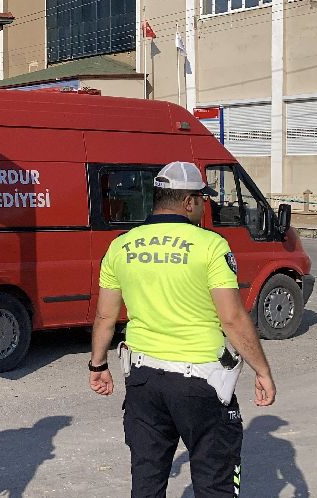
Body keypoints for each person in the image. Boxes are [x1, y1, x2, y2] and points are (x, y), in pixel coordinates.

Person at [89, 161, 276, 498]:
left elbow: (105, 317)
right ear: (188, 202)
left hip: (144, 380)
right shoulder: (210, 245)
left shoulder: (121, 246)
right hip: (200, 382)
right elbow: (232, 318)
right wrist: (262, 370)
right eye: (202, 199)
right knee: (215, 484)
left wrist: (98, 364)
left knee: (146, 483)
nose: (205, 206)